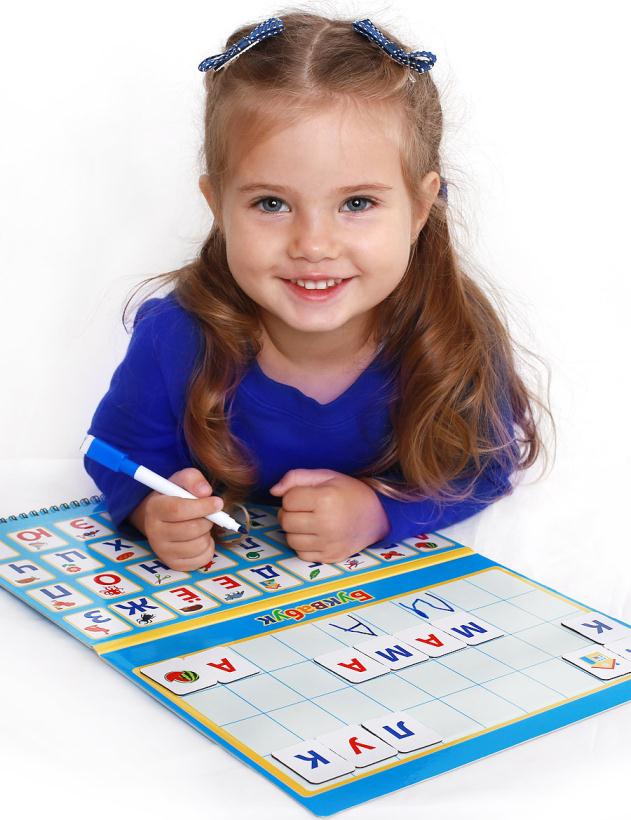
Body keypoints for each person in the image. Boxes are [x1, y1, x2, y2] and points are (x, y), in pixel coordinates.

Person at [84, 11, 552, 572]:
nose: (313, 245)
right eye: (271, 204)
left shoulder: (451, 332)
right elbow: (115, 454)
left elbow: (484, 468)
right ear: (219, 206)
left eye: (356, 203)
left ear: (420, 208)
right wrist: (153, 510)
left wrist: (379, 512)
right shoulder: (176, 336)